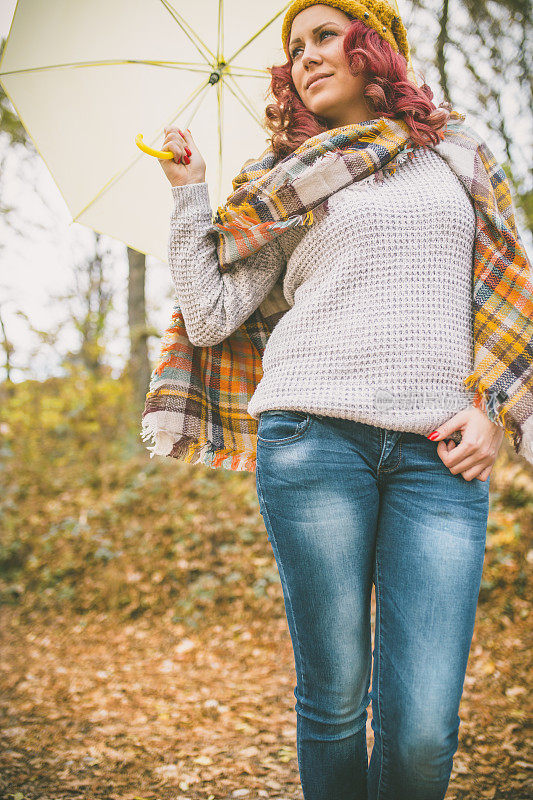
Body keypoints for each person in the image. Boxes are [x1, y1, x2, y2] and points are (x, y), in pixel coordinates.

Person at [154, 2, 523, 797]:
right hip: (312, 440)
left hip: (439, 456)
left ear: (372, 45)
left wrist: (494, 413)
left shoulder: (459, 155)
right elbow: (212, 315)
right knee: (332, 701)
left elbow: (506, 301)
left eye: (324, 36)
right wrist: (191, 194)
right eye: (294, 47)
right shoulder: (289, 175)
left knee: (423, 727)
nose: (305, 57)